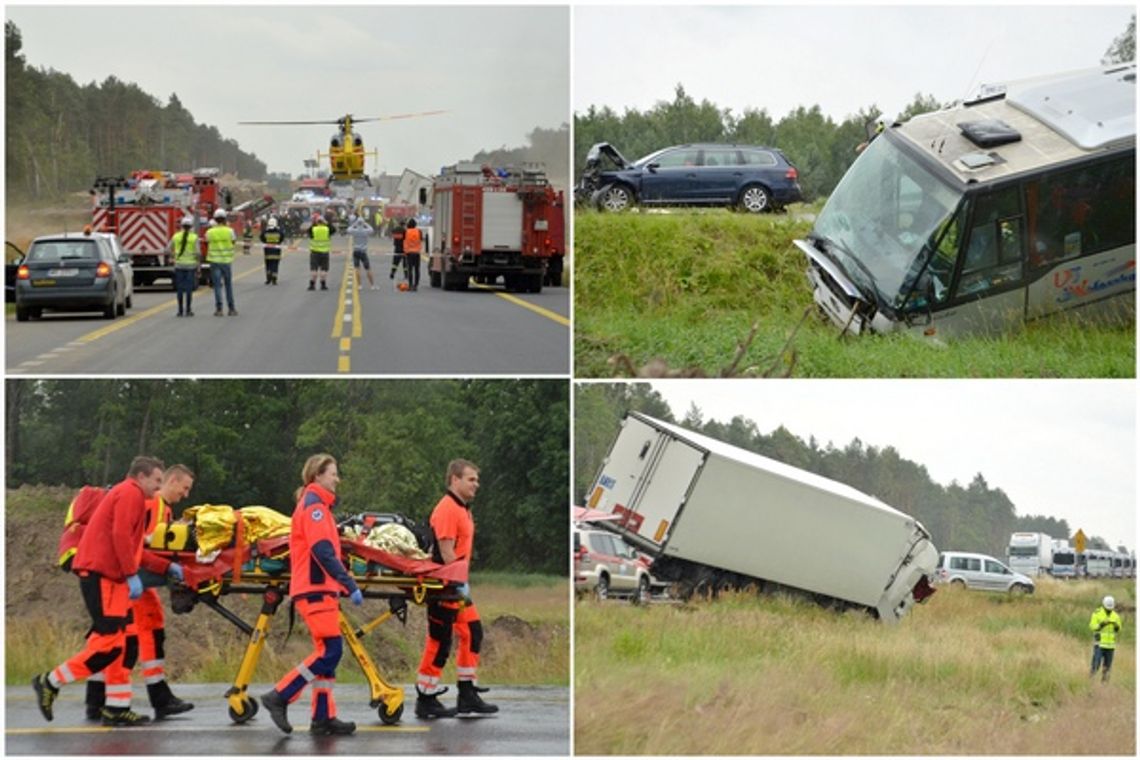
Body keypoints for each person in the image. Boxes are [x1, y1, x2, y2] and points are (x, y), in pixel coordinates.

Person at [33, 457, 180, 727]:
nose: (159, 488)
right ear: (141, 476)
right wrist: (131, 575)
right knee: (110, 645)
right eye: (157, 481)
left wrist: (166, 566)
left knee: (123, 644)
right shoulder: (131, 494)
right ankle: (51, 681)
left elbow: (133, 547)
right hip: (104, 577)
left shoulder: (130, 495)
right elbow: (121, 537)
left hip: (110, 578)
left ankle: (117, 706)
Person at [83, 465, 197, 720]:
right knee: (130, 638)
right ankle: (125, 700)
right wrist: (167, 568)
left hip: (132, 579)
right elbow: (136, 546)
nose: (186, 494)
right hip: (129, 578)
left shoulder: (161, 508)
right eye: (185, 487)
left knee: (139, 632)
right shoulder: (152, 505)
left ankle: (99, 698)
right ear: (172, 480)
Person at [261, 454, 363, 736]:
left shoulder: (318, 506)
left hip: (320, 589)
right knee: (332, 651)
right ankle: (280, 695)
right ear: (317, 476)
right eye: (333, 473)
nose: (337, 478)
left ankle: (322, 716)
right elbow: (322, 551)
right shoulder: (315, 507)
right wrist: (348, 583)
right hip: (315, 590)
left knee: (326, 654)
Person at [415, 459, 498, 719]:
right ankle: (425, 697)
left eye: (477, 479)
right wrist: (459, 584)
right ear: (455, 480)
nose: (477, 484)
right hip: (445, 586)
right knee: (440, 642)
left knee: (473, 633)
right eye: (471, 479)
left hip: (457, 585)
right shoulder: (448, 509)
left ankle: (467, 693)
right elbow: (446, 552)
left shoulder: (462, 508)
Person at [206, 208, 238, 316]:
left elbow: (207, 241)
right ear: (225, 219)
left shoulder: (210, 232)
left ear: (215, 219)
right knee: (228, 285)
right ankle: (231, 308)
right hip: (226, 261)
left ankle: (219, 309)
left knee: (217, 286)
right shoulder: (230, 231)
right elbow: (233, 242)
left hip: (214, 261)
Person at [168, 216, 199, 317]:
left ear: (181, 226)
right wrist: (198, 265)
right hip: (191, 266)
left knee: (180, 289)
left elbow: (167, 249)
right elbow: (198, 253)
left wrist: (173, 257)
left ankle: (180, 310)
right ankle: (188, 310)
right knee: (189, 289)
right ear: (191, 227)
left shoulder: (176, 236)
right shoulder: (194, 237)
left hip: (179, 266)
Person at [1089, 595, 1122, 682]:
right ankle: (1090, 681)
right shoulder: (1097, 613)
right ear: (1103, 605)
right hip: (1099, 644)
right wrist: (1101, 625)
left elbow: (1119, 628)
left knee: (1107, 668)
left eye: (1110, 608)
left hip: (1110, 646)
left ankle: (1104, 687)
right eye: (1108, 607)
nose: (1109, 609)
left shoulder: (1116, 616)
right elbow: (1092, 626)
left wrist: (1116, 627)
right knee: (1096, 665)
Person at [346, 214, 377, 290]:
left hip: (356, 251)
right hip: (363, 251)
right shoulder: (366, 231)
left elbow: (348, 229)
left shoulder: (354, 231)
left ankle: (359, 285)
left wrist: (355, 224)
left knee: (357, 268)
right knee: (368, 268)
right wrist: (365, 223)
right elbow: (372, 229)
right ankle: (372, 285)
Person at [308, 215, 332, 291]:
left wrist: (314, 223)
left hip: (314, 252)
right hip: (325, 252)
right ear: (323, 222)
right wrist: (326, 223)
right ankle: (323, 284)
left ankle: (312, 285)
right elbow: (333, 229)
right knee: (324, 269)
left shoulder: (313, 229)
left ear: (316, 222)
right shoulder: (327, 229)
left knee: (314, 269)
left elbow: (308, 231)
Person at [260, 217, 285, 285]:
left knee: (268, 265)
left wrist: (266, 242)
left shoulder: (265, 231)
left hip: (267, 252)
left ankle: (268, 278)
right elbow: (282, 238)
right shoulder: (279, 232)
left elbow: (262, 238)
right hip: (276, 252)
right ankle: (274, 279)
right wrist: (278, 243)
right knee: (275, 265)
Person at [403, 218, 423, 292]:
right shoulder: (419, 231)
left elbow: (404, 241)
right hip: (417, 253)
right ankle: (416, 285)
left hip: (409, 253)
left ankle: (410, 285)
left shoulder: (406, 232)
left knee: (410, 269)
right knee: (417, 270)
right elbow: (421, 239)